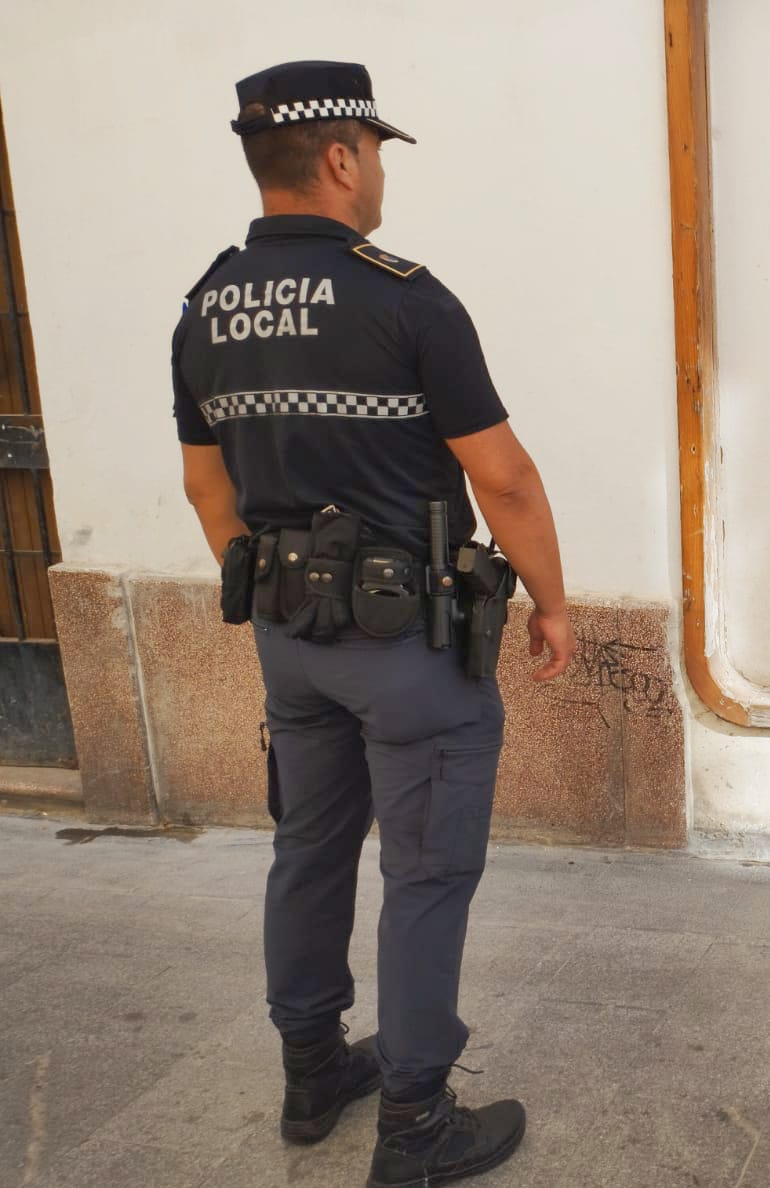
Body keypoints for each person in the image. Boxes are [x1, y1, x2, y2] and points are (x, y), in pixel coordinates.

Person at [171, 60, 574, 1187]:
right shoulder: (403, 297)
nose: (381, 171)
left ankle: (312, 1075)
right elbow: (506, 482)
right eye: (378, 150)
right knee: (427, 874)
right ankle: (414, 1121)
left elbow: (211, 496)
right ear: (341, 157)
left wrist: (285, 599)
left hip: (290, 644)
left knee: (308, 849)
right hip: (409, 649)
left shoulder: (207, 304)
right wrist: (551, 600)